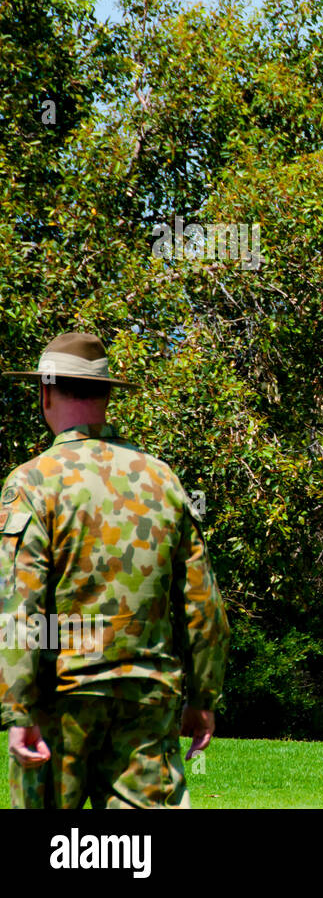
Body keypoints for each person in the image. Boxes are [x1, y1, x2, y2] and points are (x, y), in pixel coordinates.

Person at [0, 331, 230, 808]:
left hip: (59, 706)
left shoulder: (31, 484)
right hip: (146, 703)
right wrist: (204, 697)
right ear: (107, 395)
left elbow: (19, 606)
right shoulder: (162, 480)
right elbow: (203, 605)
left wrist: (18, 709)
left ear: (44, 392)